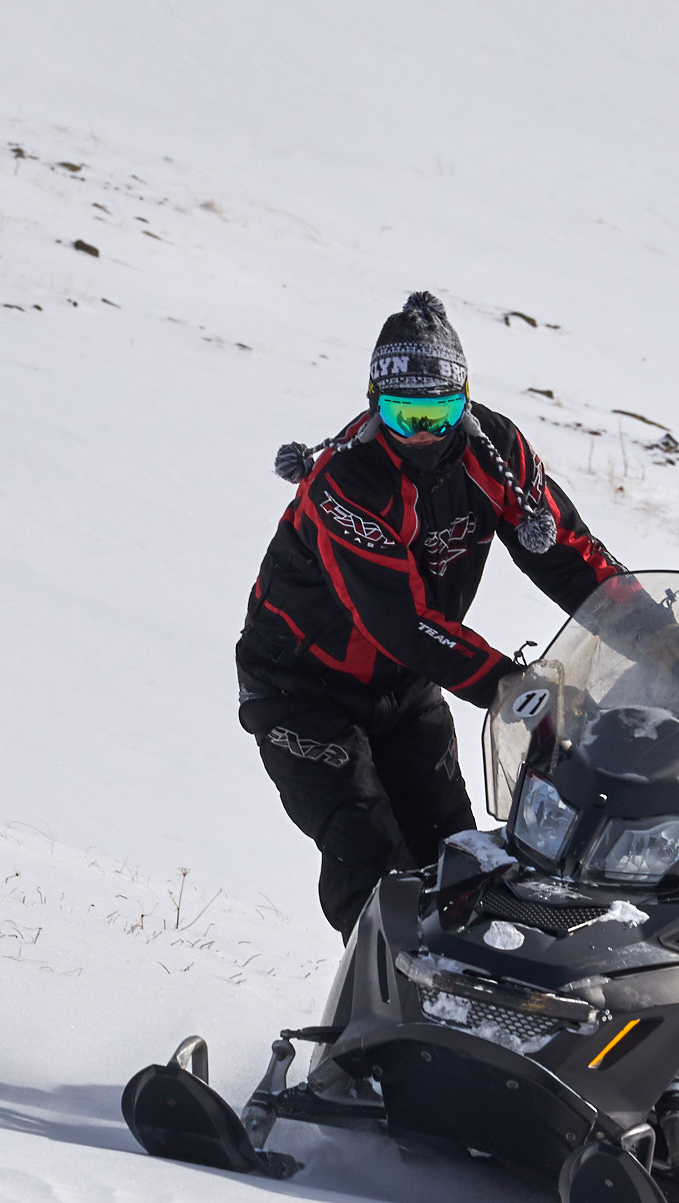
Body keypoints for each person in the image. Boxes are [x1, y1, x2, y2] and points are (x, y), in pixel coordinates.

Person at [237, 292, 623, 936]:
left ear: (464, 402)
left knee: (458, 862)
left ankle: (468, 1020)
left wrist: (660, 635)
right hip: (301, 692)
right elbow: (398, 620)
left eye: (437, 414)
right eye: (402, 413)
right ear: (373, 405)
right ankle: (364, 1026)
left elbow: (565, 552)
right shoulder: (345, 481)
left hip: (405, 689)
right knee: (373, 863)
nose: (420, 434)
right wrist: (513, 688)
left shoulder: (494, 451)